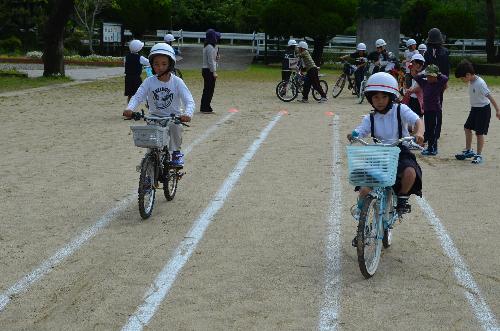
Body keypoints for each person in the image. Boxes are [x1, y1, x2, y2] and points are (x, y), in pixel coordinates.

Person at [347, 72, 424, 233]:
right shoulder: (370, 118)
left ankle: (402, 197)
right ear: (370, 99)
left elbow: (417, 120)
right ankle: (362, 212)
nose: (379, 101)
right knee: (364, 188)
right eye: (375, 97)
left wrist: (419, 133)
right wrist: (353, 134)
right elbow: (360, 131)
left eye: (383, 97)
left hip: (399, 150)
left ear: (391, 96)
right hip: (379, 152)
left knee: (410, 172)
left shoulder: (400, 109)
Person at [123, 43, 195, 167]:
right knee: (151, 146)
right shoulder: (149, 81)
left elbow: (189, 101)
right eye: (156, 64)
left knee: (175, 128)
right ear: (151, 65)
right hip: (154, 118)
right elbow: (137, 96)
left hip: (173, 118)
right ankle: (148, 173)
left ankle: (176, 153)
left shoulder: (177, 82)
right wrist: (129, 108)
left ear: (170, 64)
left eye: (164, 64)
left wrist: (187, 114)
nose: (160, 67)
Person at [454, 60, 500, 164]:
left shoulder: (480, 83)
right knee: (467, 128)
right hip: (475, 108)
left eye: (462, 78)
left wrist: (497, 110)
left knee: (479, 133)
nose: (462, 80)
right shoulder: (471, 80)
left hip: (483, 110)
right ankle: (469, 150)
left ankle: (478, 155)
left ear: (468, 74)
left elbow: (490, 97)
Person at [412, 64, 448, 156]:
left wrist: (437, 74)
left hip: (435, 110)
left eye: (431, 76)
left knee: (434, 130)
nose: (429, 78)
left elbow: (445, 78)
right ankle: (429, 147)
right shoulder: (425, 83)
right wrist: (425, 74)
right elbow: (416, 77)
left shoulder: (438, 84)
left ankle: (433, 148)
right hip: (427, 110)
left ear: (436, 76)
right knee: (428, 130)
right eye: (428, 76)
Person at [200, 29, 218, 114]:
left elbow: (212, 59)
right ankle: (205, 107)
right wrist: (214, 72)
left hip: (206, 70)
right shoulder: (210, 47)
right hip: (208, 70)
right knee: (209, 90)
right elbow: (210, 61)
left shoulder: (207, 46)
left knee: (207, 89)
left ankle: (205, 106)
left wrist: (217, 58)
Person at [403, 53, 425, 118]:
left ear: (418, 64)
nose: (411, 70)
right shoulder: (416, 76)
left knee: (418, 118)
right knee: (410, 117)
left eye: (413, 64)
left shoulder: (423, 75)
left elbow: (418, 88)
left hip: (418, 101)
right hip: (412, 99)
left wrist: (408, 91)